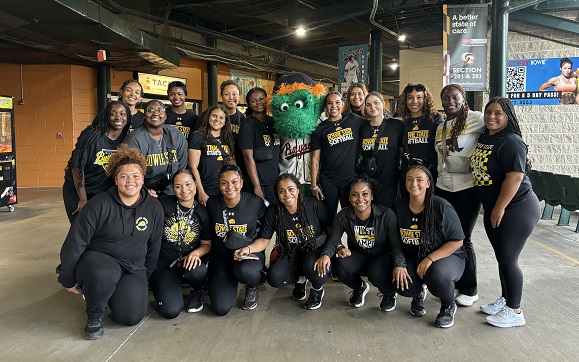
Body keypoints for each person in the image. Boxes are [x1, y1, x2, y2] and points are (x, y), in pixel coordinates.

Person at [57, 144, 163, 340]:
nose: (130, 181)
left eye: (136, 176)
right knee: (104, 273)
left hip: (133, 266)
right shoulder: (98, 204)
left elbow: (154, 246)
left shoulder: (154, 207)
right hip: (99, 261)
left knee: (130, 317)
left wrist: (143, 275)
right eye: (124, 176)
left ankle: (108, 292)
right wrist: (67, 278)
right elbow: (75, 242)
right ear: (115, 180)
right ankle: (95, 315)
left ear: (143, 179)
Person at [471, 97, 540, 328]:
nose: (491, 116)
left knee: (509, 258)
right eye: (488, 112)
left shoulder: (511, 141)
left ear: (507, 116)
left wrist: (499, 207)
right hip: (495, 206)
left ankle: (515, 310)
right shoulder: (486, 136)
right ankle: (506, 298)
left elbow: (515, 177)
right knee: (502, 256)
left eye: (498, 113)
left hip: (517, 207)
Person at [316, 175, 405, 312]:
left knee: (375, 273)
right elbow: (333, 240)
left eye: (365, 194)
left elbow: (395, 245)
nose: (360, 199)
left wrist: (400, 264)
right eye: (355, 195)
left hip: (382, 257)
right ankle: (359, 287)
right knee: (339, 265)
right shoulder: (343, 216)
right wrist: (326, 255)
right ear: (349, 198)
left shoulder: (386, 214)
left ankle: (389, 293)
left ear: (372, 196)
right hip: (359, 255)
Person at [394, 165, 465, 328]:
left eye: (419, 180)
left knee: (437, 275)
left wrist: (430, 258)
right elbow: (395, 240)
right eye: (409, 179)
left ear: (428, 183)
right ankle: (418, 292)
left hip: (448, 256)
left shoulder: (441, 206)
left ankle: (448, 305)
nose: (414, 184)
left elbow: (457, 240)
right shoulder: (399, 206)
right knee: (402, 283)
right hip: (415, 256)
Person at [434, 84, 485, 307]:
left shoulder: (477, 119)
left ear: (463, 98)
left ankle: (469, 287)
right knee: (445, 236)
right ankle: (454, 278)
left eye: (454, 97)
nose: (450, 101)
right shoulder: (441, 125)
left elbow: (500, 124)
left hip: (467, 187)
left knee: (464, 238)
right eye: (446, 98)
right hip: (443, 186)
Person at [249, 173, 331, 309]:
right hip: (290, 252)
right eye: (281, 191)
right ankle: (300, 279)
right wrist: (248, 249)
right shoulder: (274, 211)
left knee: (316, 271)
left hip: (313, 252)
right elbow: (264, 239)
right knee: (274, 278)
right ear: (277, 195)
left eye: (291, 189)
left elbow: (330, 228)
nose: (287, 194)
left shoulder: (314, 205)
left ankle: (317, 289)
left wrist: (333, 249)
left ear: (298, 189)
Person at [205, 163, 267, 315]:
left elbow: (266, 233)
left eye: (234, 181)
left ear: (241, 183)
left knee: (247, 272)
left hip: (247, 254)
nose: (229, 186)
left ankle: (252, 285)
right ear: (219, 185)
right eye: (224, 183)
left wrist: (250, 249)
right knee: (221, 308)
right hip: (221, 257)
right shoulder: (212, 204)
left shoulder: (254, 203)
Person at [149, 169, 212, 318]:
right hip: (163, 263)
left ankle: (197, 291)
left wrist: (196, 253)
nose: (184, 190)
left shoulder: (203, 213)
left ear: (196, 185)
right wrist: (147, 193)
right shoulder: (162, 204)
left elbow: (207, 244)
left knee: (198, 269)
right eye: (178, 186)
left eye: (188, 184)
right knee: (170, 311)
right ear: (173, 188)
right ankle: (168, 288)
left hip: (187, 261)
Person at [63, 101, 131, 223]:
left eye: (122, 114)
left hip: (102, 193)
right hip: (78, 191)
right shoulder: (92, 137)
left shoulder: (125, 140)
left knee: (102, 231)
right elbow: (77, 168)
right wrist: (83, 199)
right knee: (81, 230)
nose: (118, 117)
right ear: (106, 116)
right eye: (113, 114)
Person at [311, 92, 364, 221]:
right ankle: (334, 242)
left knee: (352, 216)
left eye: (337, 102)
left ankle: (352, 241)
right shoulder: (319, 130)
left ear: (343, 104)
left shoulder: (353, 119)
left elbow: (373, 122)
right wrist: (314, 185)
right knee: (329, 217)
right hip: (328, 181)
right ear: (325, 106)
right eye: (330, 103)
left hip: (350, 180)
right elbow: (315, 159)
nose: (333, 106)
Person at [123, 99, 188, 196]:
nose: (155, 113)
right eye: (150, 110)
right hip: (144, 192)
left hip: (174, 191)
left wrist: (175, 189)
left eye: (159, 110)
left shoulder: (175, 135)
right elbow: (129, 172)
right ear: (144, 115)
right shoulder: (134, 139)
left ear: (165, 116)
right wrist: (143, 191)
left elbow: (182, 166)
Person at [359, 92, 403, 208]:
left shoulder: (396, 125)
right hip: (369, 183)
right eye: (368, 105)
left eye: (376, 103)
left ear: (383, 104)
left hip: (390, 183)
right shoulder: (363, 128)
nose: (372, 107)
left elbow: (402, 152)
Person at [238, 87, 280, 204]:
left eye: (261, 99)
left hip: (275, 180)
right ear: (249, 104)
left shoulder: (273, 122)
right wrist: (257, 186)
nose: (258, 103)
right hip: (260, 182)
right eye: (253, 100)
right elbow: (247, 157)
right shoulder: (248, 124)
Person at [397, 82, 443, 189]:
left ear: (425, 99)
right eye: (410, 98)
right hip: (408, 174)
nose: (414, 101)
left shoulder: (435, 119)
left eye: (419, 97)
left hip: (429, 174)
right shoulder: (403, 123)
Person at [188, 105, 235, 205]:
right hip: (206, 188)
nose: (217, 119)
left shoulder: (227, 138)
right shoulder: (198, 137)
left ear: (225, 121)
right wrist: (201, 191)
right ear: (208, 117)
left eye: (221, 117)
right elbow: (193, 167)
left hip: (225, 187)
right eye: (214, 116)